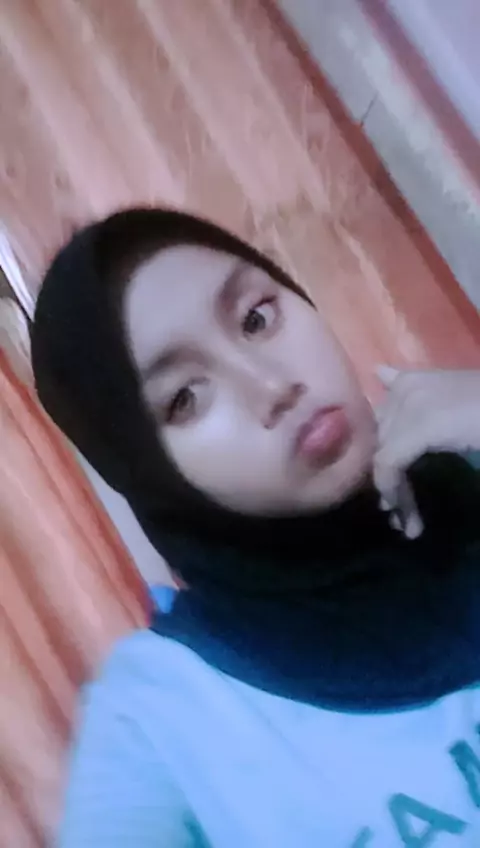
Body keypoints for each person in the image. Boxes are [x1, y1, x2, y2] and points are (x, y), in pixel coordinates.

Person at [31, 208, 480, 847]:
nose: (272, 386)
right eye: (186, 398)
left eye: (256, 319)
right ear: (144, 468)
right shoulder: (162, 715)